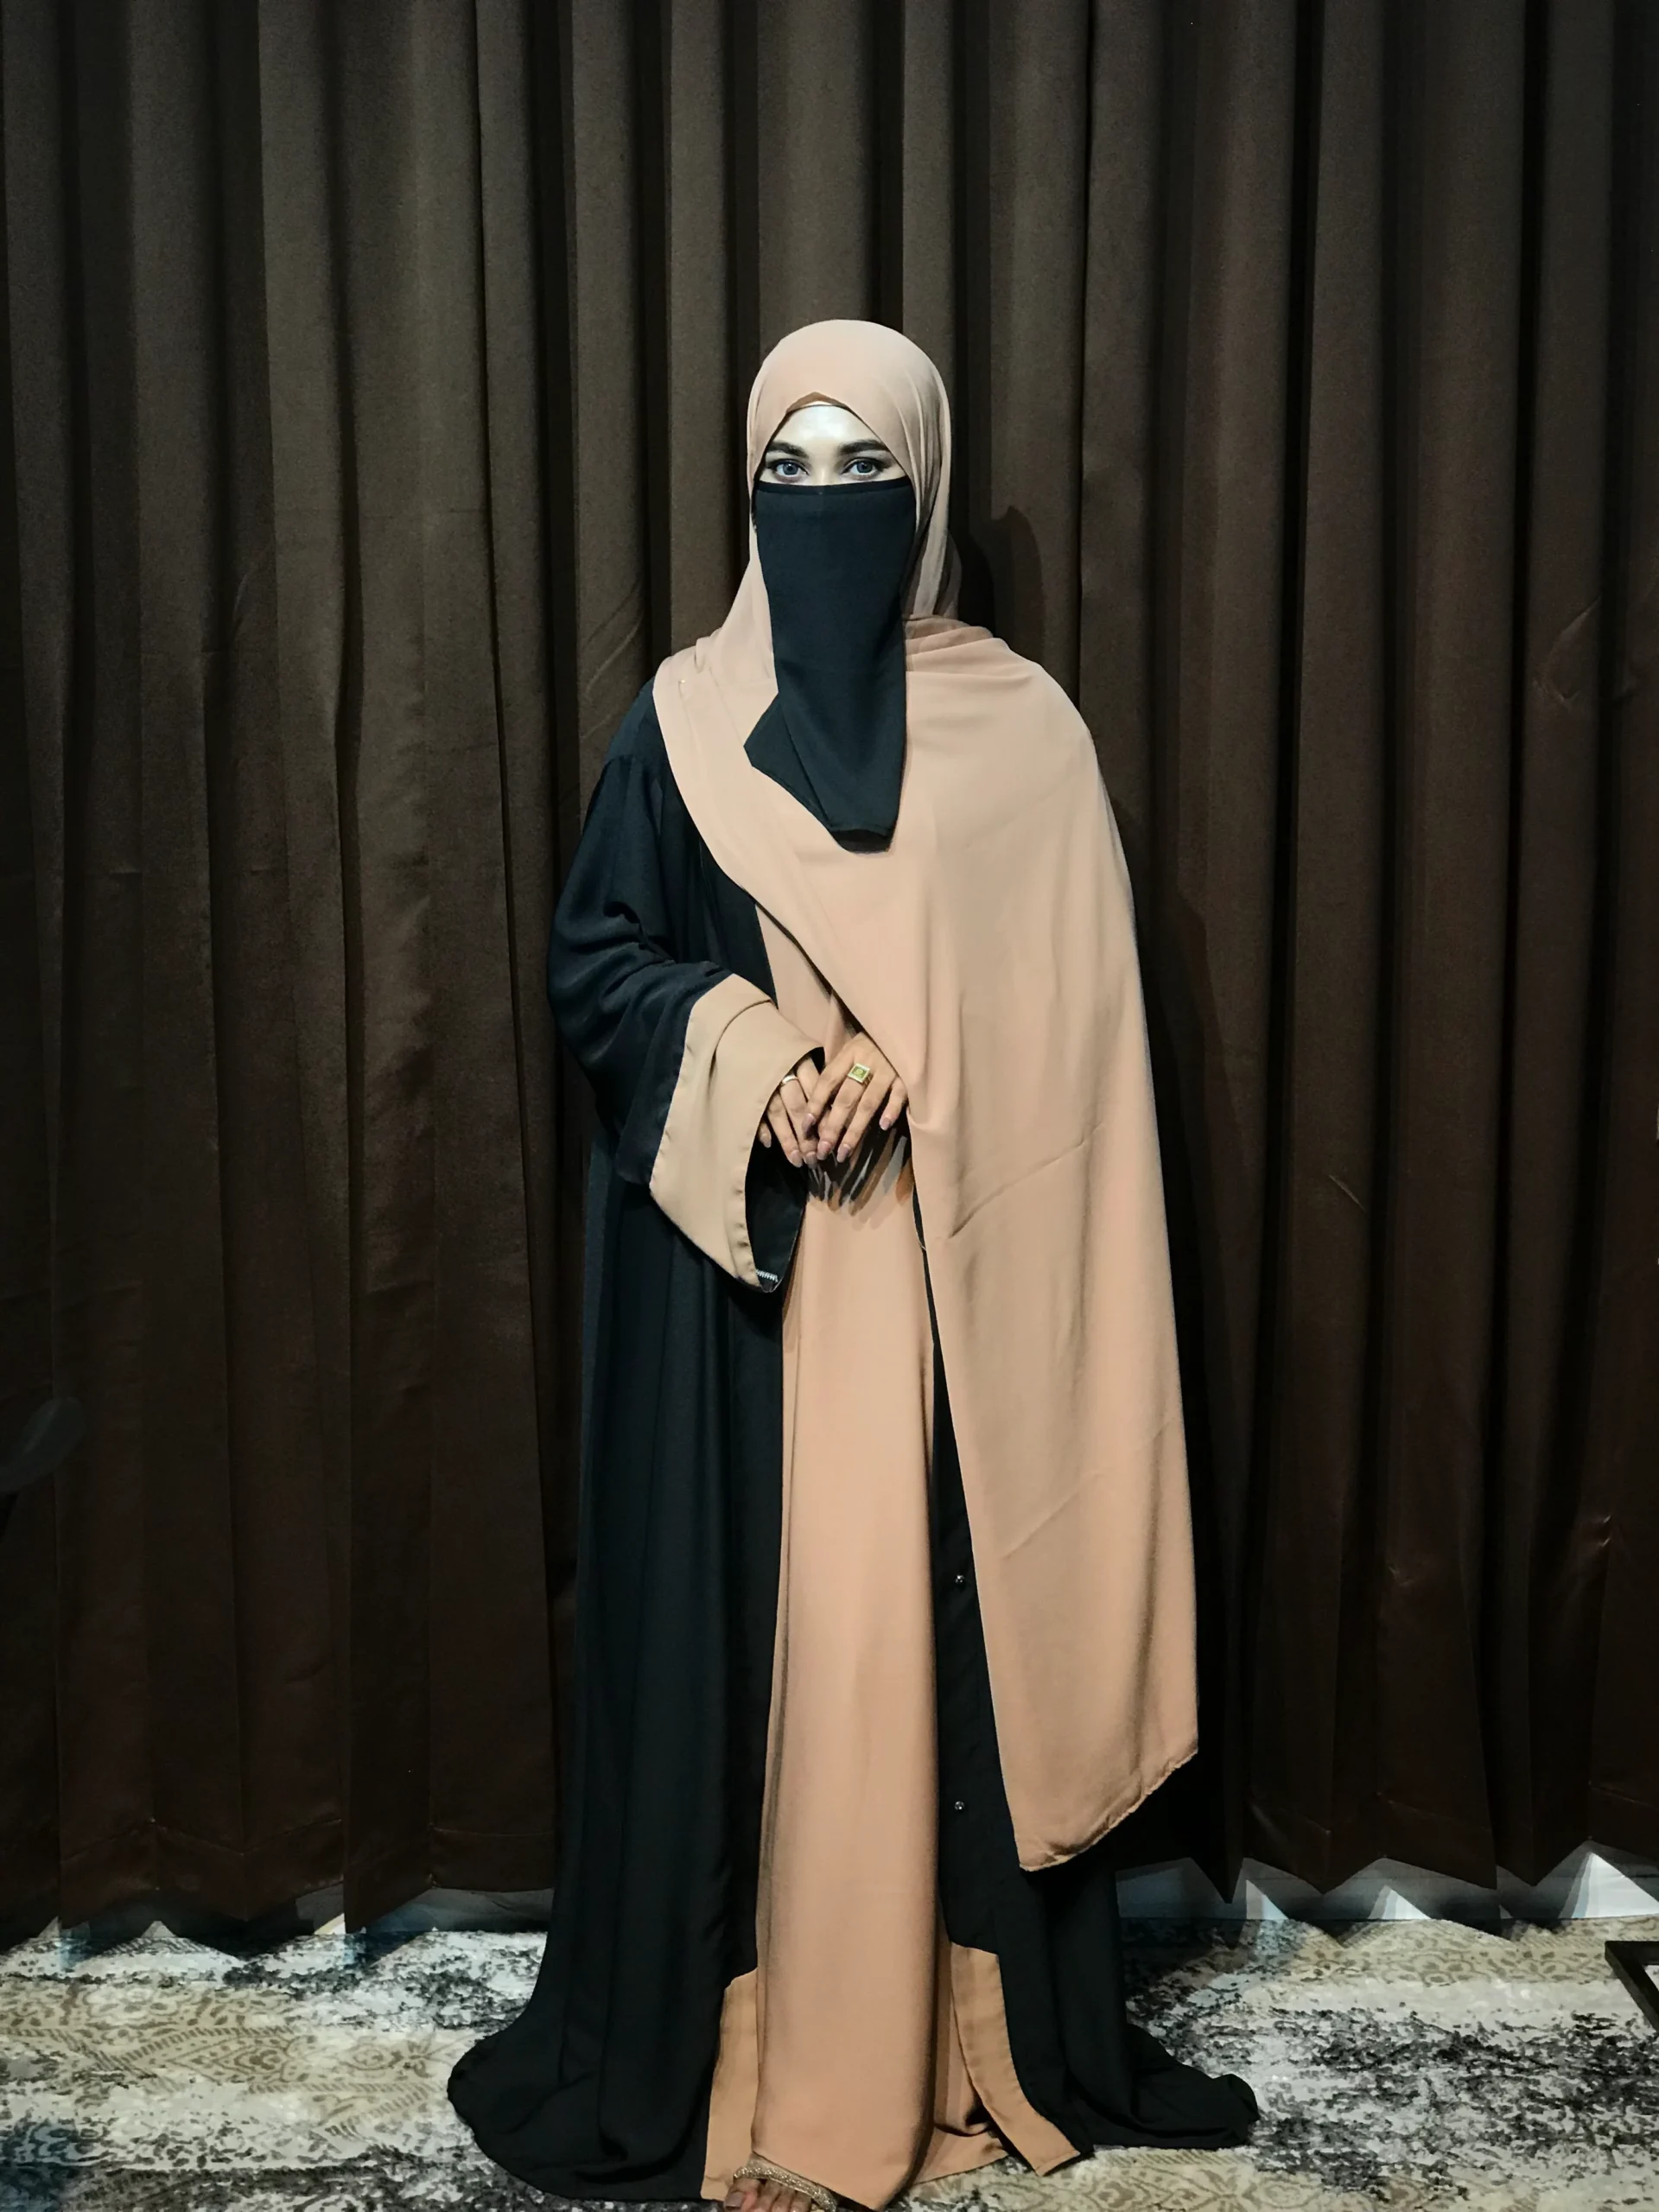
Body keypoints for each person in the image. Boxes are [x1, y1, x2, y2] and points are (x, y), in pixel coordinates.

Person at [447, 319, 1259, 2212]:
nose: (823, 506)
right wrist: (757, 1056)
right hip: (756, 1305)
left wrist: (921, 1052)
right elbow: (600, 964)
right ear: (746, 496)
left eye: (863, 469)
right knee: (779, 1658)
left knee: (938, 1655)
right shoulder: (678, 724)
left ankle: (966, 2038)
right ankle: (769, 2059)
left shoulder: (1024, 736)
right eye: (786, 470)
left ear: (926, 491)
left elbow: (1070, 1030)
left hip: (964, 1303)